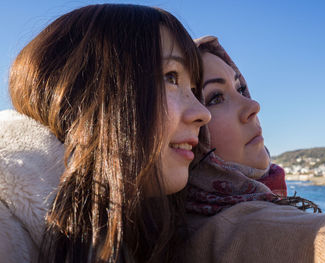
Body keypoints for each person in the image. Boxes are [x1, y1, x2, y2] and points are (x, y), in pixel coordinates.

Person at [0, 4, 210, 263]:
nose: (203, 113)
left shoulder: (139, 228)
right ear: (81, 91)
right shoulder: (7, 229)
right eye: (170, 77)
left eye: (193, 87)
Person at [181, 36, 325, 262]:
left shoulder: (181, 221)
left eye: (240, 88)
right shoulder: (240, 228)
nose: (253, 105)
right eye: (215, 98)